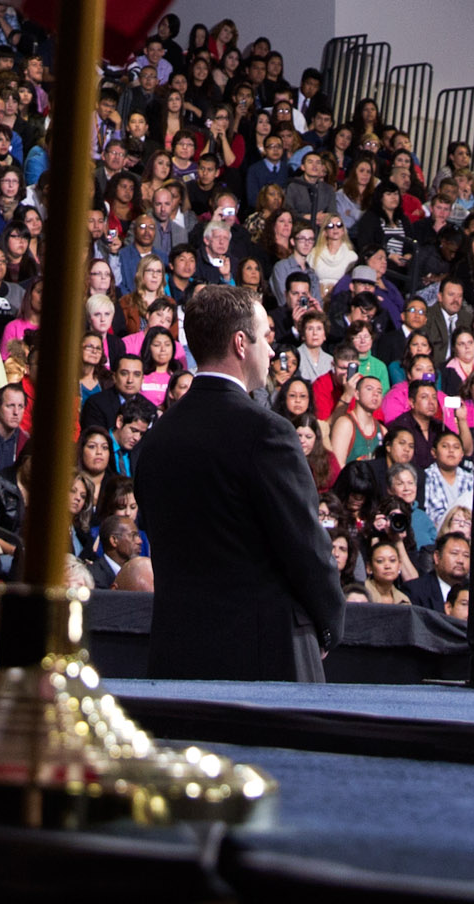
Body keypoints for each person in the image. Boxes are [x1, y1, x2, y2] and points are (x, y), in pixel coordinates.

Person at [129, 283, 343, 681]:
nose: (272, 351)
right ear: (241, 343)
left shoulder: (157, 439)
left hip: (178, 660)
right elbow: (307, 547)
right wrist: (330, 623)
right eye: (265, 338)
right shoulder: (268, 433)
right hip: (265, 660)